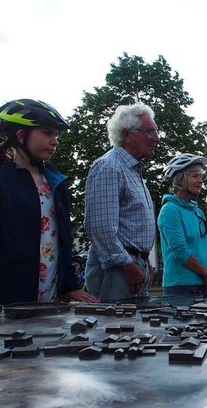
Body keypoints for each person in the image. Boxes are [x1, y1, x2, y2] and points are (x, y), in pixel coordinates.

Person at [0, 99, 99, 312]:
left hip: (51, 303)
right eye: (47, 133)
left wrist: (70, 286)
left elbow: (63, 242)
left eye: (56, 134)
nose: (55, 141)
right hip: (7, 305)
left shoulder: (56, 183)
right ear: (21, 136)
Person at [83, 103, 159, 302]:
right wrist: (129, 266)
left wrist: (144, 262)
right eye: (149, 131)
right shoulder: (110, 167)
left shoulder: (132, 171)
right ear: (127, 134)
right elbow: (100, 227)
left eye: (156, 131)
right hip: (116, 270)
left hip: (131, 265)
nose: (156, 138)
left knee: (134, 330)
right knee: (113, 329)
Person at [158, 153, 207, 295]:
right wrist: (206, 273)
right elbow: (180, 251)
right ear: (179, 180)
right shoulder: (170, 210)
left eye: (201, 176)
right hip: (180, 285)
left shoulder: (198, 211)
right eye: (194, 176)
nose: (200, 181)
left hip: (202, 283)